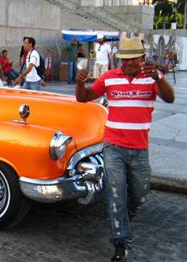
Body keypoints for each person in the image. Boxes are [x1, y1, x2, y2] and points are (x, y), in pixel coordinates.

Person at [75, 37, 175, 262]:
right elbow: (84, 98)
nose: (128, 63)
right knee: (116, 194)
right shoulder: (109, 77)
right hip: (113, 147)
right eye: (125, 59)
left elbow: (170, 98)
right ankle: (120, 242)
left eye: (133, 59)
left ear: (142, 58)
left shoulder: (152, 79)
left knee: (140, 195)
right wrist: (80, 83)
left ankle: (121, 219)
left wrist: (158, 76)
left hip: (140, 149)